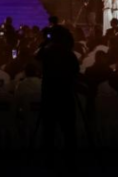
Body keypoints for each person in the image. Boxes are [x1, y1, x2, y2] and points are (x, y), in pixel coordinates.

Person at [38, 16, 79, 165]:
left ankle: (49, 157)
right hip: (66, 94)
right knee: (68, 129)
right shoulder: (70, 55)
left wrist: (45, 42)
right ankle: (70, 157)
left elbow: (37, 57)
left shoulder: (48, 52)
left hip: (50, 94)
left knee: (49, 128)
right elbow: (75, 71)